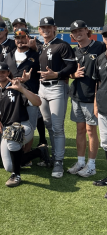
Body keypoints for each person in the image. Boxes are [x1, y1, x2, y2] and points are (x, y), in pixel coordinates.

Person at [0, 62, 49, 187]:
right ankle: (40, 152)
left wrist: (21, 88)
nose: (0, 74)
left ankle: (16, 175)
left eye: (3, 72)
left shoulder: (17, 86)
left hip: (23, 125)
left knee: (12, 140)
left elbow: (38, 102)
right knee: (9, 166)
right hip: (7, 129)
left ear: (8, 73)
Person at [37, 17, 77, 178]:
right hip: (42, 89)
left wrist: (58, 74)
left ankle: (59, 161)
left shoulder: (62, 44)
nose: (45, 29)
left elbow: (72, 65)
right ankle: (54, 157)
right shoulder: (41, 46)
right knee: (48, 125)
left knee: (58, 127)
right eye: (42, 27)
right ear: (39, 30)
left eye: (48, 27)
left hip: (57, 87)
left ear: (55, 28)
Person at [67, 20, 105, 177]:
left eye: (81, 30)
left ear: (87, 30)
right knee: (80, 130)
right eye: (75, 31)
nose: (78, 33)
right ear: (72, 35)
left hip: (92, 96)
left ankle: (92, 164)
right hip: (77, 95)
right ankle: (81, 162)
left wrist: (97, 100)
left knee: (91, 131)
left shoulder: (99, 47)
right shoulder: (73, 51)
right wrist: (72, 75)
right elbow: (68, 72)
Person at [4, 28, 40, 150]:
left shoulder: (36, 55)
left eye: (22, 37)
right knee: (14, 124)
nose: (20, 40)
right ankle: (16, 151)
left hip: (29, 95)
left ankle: (27, 155)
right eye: (17, 38)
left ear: (27, 38)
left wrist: (29, 79)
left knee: (29, 126)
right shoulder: (9, 55)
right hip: (12, 97)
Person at [93, 25, 107, 198]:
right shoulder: (101, 58)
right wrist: (96, 104)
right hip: (103, 107)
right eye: (106, 36)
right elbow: (98, 84)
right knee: (106, 144)